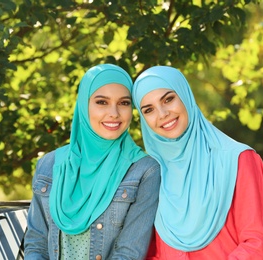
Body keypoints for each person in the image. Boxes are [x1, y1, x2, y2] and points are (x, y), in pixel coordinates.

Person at [132, 66, 263, 259]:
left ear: (185, 96)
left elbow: (256, 243)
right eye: (149, 110)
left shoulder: (239, 160)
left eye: (168, 99)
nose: (162, 113)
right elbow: (153, 252)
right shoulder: (153, 172)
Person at [24, 64, 161, 260]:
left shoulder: (144, 171)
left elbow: (129, 254)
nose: (114, 113)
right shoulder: (49, 165)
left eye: (123, 103)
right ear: (83, 105)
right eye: (102, 102)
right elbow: (36, 244)